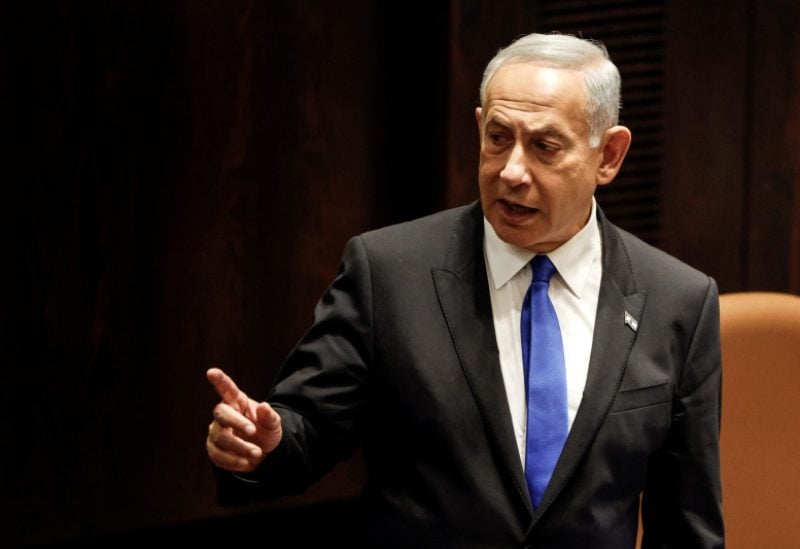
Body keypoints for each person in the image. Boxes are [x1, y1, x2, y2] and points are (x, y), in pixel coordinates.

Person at [205, 31, 725, 548]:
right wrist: (263, 445)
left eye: (544, 147)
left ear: (608, 155)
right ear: (480, 128)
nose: (512, 171)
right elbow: (306, 431)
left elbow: (687, 521)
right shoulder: (389, 272)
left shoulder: (678, 300)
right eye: (498, 138)